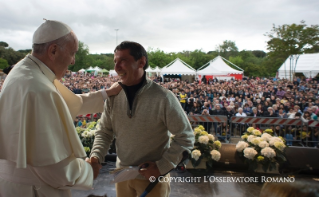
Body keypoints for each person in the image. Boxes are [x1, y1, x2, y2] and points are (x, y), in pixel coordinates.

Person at [0, 20, 121, 197]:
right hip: (35, 190)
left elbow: (66, 103)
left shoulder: (25, 71)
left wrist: (105, 94)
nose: (73, 61)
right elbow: (53, 169)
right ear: (53, 50)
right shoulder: (38, 88)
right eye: (72, 53)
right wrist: (88, 170)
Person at [88, 41, 194, 197]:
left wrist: (161, 167)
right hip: (122, 175)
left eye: (123, 60)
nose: (117, 67)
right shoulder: (114, 96)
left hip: (152, 179)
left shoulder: (163, 98)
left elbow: (186, 137)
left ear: (141, 62)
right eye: (115, 62)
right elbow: (105, 131)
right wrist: (96, 157)